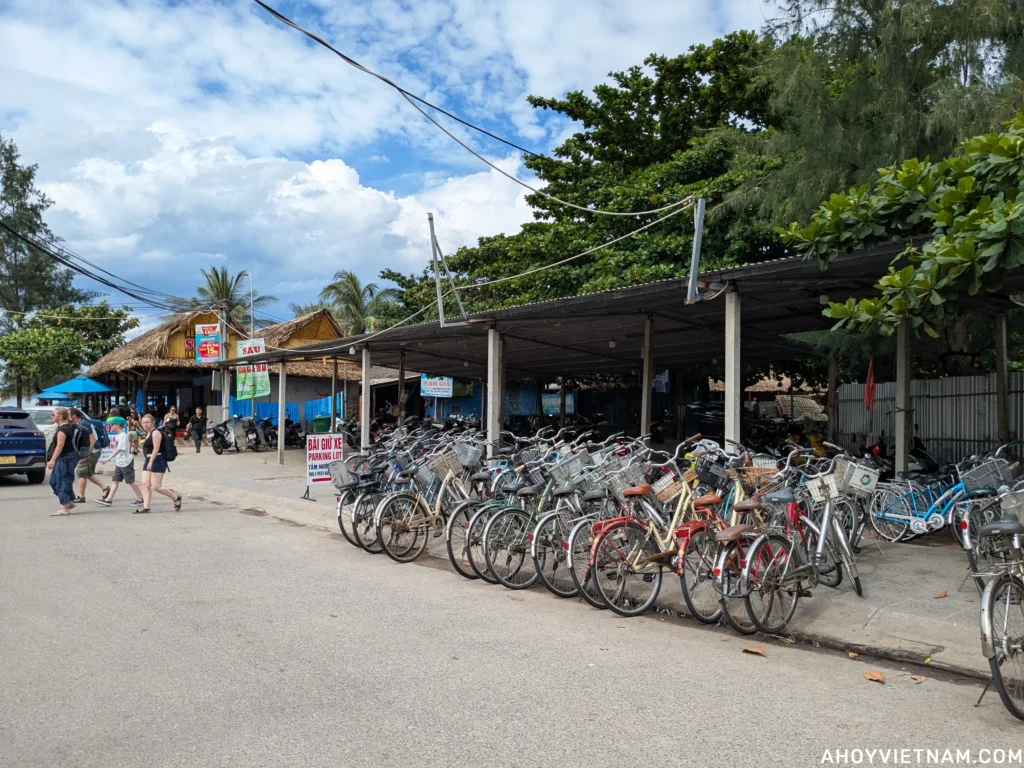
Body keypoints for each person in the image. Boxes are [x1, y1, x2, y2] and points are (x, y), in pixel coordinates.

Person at [96, 417, 144, 508]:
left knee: (131, 481)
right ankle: (109, 499)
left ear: (117, 425)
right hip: (120, 462)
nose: (111, 427)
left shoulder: (122, 436)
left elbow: (119, 449)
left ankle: (141, 498)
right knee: (115, 480)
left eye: (112, 425)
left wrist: (108, 458)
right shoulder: (119, 435)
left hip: (126, 462)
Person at [139, 413, 181, 514]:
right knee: (145, 484)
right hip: (148, 460)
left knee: (156, 487)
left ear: (153, 422)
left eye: (147, 422)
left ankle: (176, 498)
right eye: (143, 422)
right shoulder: (147, 433)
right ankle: (146, 507)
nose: (145, 424)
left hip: (157, 459)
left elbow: (156, 448)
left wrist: (151, 462)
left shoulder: (156, 433)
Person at [47, 407, 80, 516]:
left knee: (62, 480)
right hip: (69, 457)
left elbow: (60, 445)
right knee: (54, 480)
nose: (51, 416)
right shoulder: (67, 427)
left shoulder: (63, 430)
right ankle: (69, 501)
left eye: (53, 414)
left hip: (65, 458)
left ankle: (65, 507)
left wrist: (52, 460)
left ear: (60, 416)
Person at [69, 407, 106, 504]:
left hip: (92, 451)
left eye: (68, 415)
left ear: (73, 416)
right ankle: (106, 488)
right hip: (94, 451)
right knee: (88, 473)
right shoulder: (79, 424)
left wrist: (85, 455)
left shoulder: (84, 424)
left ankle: (81, 496)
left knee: (81, 471)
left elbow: (92, 440)